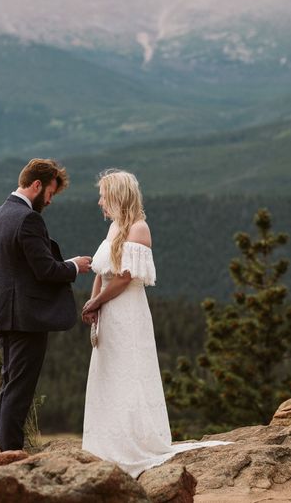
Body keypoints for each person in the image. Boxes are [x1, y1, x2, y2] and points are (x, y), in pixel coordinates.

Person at [82, 169, 230, 477]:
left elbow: (124, 277)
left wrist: (97, 302)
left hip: (127, 312)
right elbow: (101, 271)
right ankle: (107, 441)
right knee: (108, 372)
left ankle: (132, 442)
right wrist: (92, 303)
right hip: (108, 310)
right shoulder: (114, 227)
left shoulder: (139, 229)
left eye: (103, 196)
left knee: (129, 371)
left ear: (118, 196)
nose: (99, 202)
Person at [0, 158, 92, 452]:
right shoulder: (28, 219)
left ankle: (7, 449)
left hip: (4, 314)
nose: (50, 200)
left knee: (10, 385)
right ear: (37, 185)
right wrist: (74, 266)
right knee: (20, 389)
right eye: (50, 193)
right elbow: (45, 270)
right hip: (26, 318)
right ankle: (11, 452)